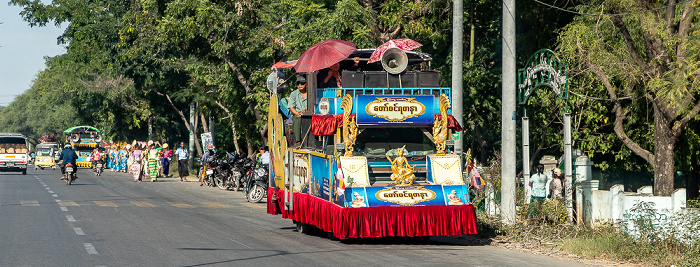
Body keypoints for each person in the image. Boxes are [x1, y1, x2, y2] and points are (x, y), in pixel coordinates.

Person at [288, 75, 308, 146]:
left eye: (302, 83)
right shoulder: (294, 94)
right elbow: (291, 106)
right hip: (298, 114)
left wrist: (307, 111)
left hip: (308, 113)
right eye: (298, 84)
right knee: (297, 119)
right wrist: (297, 113)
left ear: (306, 83)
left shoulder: (310, 93)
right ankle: (298, 141)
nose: (300, 85)